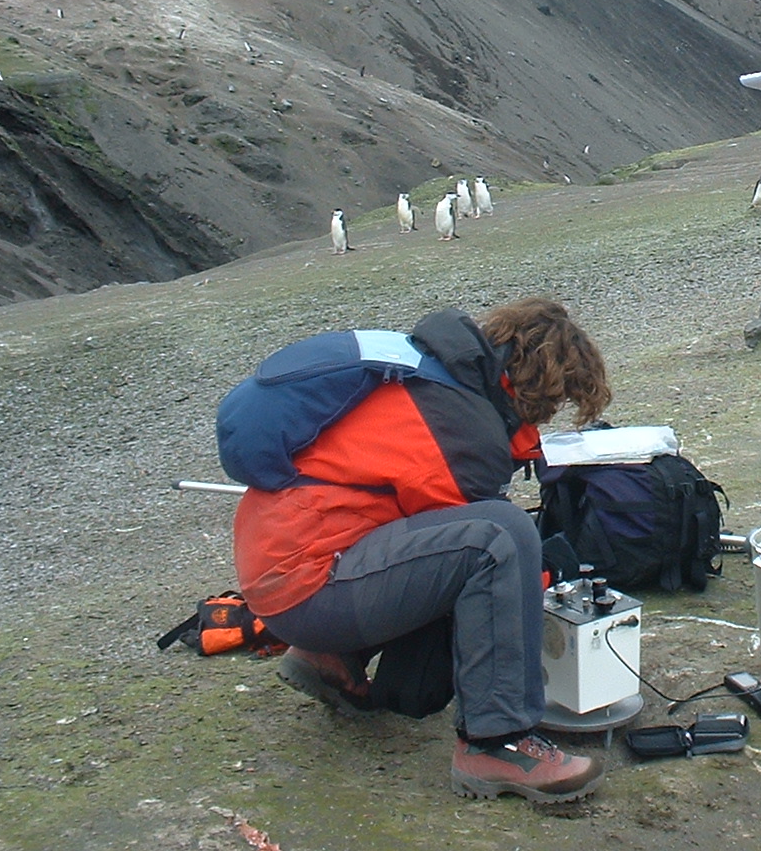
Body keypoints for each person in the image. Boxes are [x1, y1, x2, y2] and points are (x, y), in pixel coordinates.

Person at [229, 298, 611, 803]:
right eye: (560, 398)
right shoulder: (463, 431)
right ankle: (496, 744)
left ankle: (332, 656)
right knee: (502, 535)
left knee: (481, 535)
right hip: (309, 588)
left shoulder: (427, 375)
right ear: (542, 383)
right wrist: (544, 571)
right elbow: (488, 571)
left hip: (282, 566)